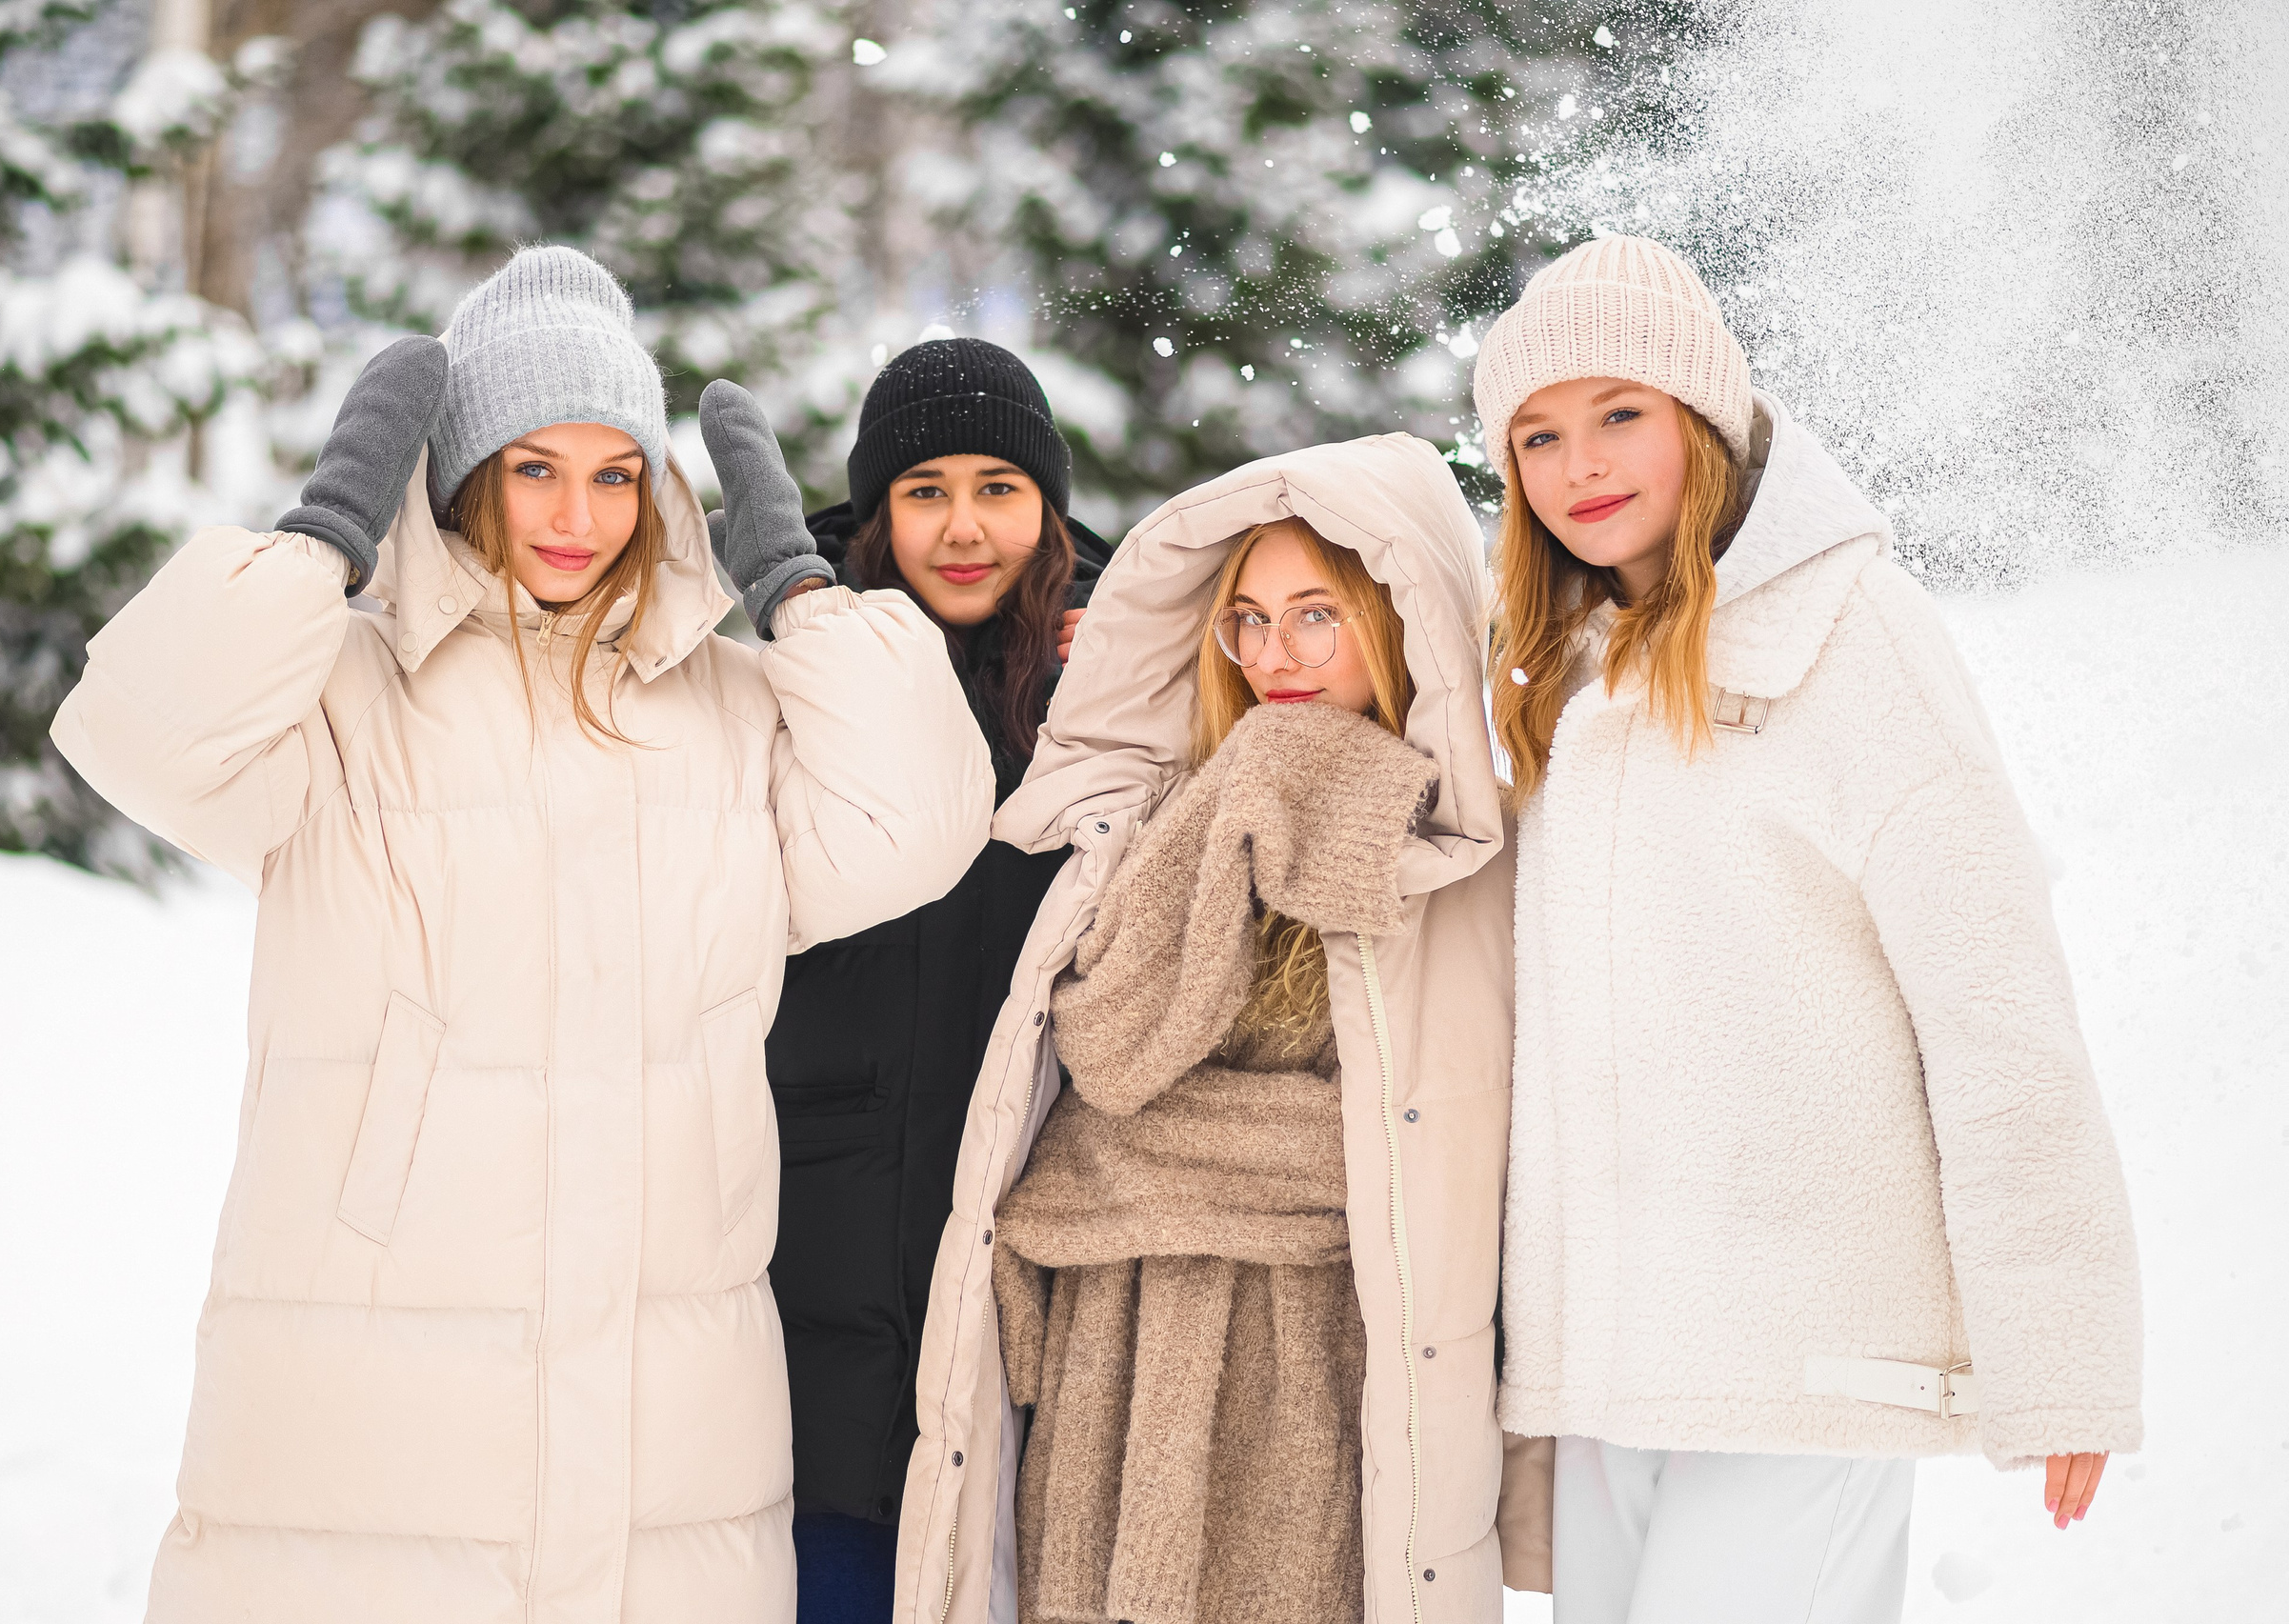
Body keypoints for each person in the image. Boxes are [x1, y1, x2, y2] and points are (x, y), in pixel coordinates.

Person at [48, 244, 993, 1620]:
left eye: (616, 473)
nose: (577, 515)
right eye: (533, 465)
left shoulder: (729, 709)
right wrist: (322, 538)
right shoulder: (342, 693)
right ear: (462, 475)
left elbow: (921, 821)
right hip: (371, 1391)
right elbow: (142, 737)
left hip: (667, 1416)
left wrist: (796, 589)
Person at [1475, 234, 2142, 1623]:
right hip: (1610, 1368)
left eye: (1619, 414)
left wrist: (2061, 1350)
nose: (1578, 464)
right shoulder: (1563, 678)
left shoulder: (1854, 633)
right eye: (1536, 435)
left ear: (1703, 420)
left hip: (1806, 1354)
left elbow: (1997, 1007)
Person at [892, 437, 1551, 1623]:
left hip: (1334, 1362)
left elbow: (1465, 1161)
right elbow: (1112, 1055)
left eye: (1314, 616)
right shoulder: (1163, 817)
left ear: (1396, 621)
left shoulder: (1480, 867)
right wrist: (1243, 798)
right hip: (1118, 1360)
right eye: (1246, 619)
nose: (1273, 655)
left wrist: (1181, 1156)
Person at [763, 336, 1112, 1621]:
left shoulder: (1125, 684)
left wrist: (1122, 692)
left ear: (1048, 507)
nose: (964, 528)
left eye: (998, 489)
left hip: (1030, 1265)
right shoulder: (792, 673)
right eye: (925, 491)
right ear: (876, 512)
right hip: (816, 1263)